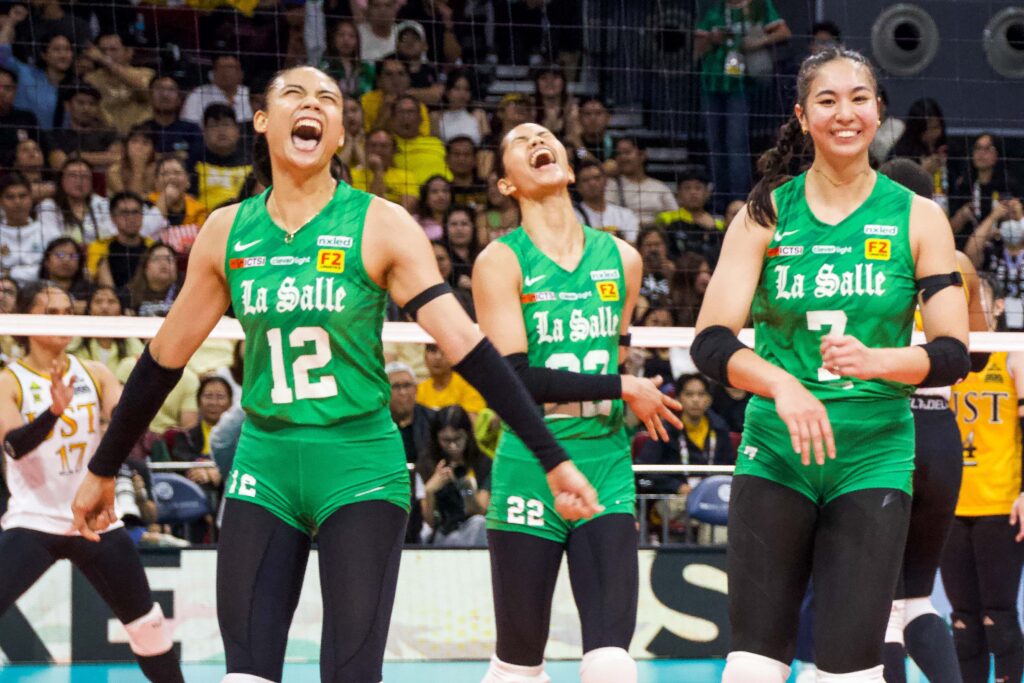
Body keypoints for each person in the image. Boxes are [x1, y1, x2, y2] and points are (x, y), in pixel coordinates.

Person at [71, 65, 601, 683]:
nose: (313, 104)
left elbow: (470, 349)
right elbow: (162, 362)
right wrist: (103, 468)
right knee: (243, 677)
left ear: (341, 133)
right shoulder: (227, 231)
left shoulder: (381, 223)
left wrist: (552, 457)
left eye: (328, 98)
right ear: (263, 121)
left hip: (360, 467)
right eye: (294, 94)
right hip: (265, 463)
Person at [690, 47, 969, 682]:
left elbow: (953, 354)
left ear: (879, 111)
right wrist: (780, 384)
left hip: (873, 454)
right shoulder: (765, 213)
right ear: (802, 115)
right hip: (777, 450)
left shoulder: (919, 217)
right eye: (827, 100)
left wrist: (880, 360)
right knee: (753, 663)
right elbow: (710, 341)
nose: (845, 113)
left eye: (859, 98)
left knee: (851, 668)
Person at [472, 121, 683, 683]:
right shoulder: (500, 262)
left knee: (613, 664)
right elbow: (514, 379)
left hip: (605, 464)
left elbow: (616, 354)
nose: (538, 142)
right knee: (518, 667)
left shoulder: (623, 259)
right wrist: (623, 388)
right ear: (506, 184)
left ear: (568, 167)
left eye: (546, 136)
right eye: (522, 141)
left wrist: (620, 386)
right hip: (530, 467)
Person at [0, 282, 184, 683]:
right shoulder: (9, 380)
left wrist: (138, 393)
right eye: (51, 313)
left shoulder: (95, 373)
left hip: (95, 519)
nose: (63, 320)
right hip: (34, 519)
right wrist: (53, 412)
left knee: (148, 626)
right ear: (25, 319)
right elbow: (13, 446)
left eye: (68, 312)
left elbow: (127, 421)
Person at [875, 156, 988, 683]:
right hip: (942, 435)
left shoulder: (871, 257)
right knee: (917, 598)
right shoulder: (958, 264)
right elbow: (977, 356)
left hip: (886, 429)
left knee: (881, 605)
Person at [943, 276, 1024, 683]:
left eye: (978, 298)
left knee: (999, 618)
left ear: (997, 307)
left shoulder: (1013, 355)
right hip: (949, 507)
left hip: (1000, 504)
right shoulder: (943, 358)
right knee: (962, 622)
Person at [419, 404, 490, 546]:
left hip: (470, 528)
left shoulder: (482, 461)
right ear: (436, 437)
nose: (452, 446)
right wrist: (430, 491)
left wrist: (466, 489)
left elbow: (481, 511)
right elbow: (430, 522)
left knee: (480, 523)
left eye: (457, 438)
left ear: (468, 434)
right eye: (446, 440)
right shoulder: (426, 463)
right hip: (439, 532)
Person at [0, 172, 59, 285]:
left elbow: (54, 269)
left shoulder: (49, 232)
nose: (17, 202)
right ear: (1, 201)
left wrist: (11, 272)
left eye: (22, 196)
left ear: (31, 198)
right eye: (10, 197)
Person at [574, 159, 640, 243]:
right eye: (585, 180)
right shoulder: (573, 215)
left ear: (606, 181)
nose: (592, 183)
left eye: (597, 178)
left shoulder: (625, 215)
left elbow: (632, 244)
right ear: (578, 187)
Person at [181, 54, 253, 126]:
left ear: (241, 73)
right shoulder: (197, 95)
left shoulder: (249, 94)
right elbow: (188, 128)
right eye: (221, 68)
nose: (226, 73)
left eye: (231, 68)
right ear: (213, 73)